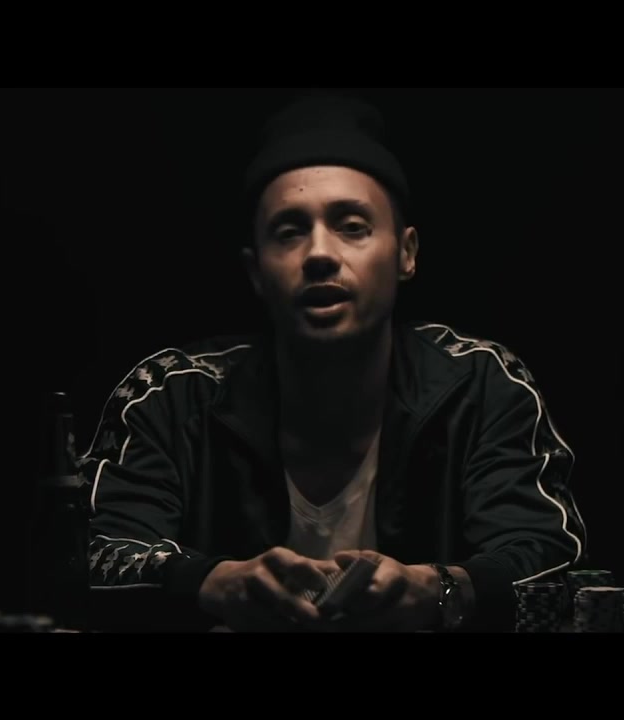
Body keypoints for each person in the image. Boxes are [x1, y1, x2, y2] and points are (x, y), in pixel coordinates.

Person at [78, 92, 587, 632]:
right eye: (289, 231)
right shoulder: (169, 395)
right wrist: (212, 582)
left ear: (406, 253)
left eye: (352, 226)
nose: (320, 253)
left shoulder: (482, 386)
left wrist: (438, 588)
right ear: (255, 271)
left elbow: (549, 558)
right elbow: (91, 555)